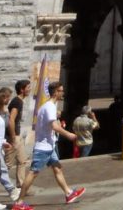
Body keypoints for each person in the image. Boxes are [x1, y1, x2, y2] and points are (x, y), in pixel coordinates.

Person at [13, 81, 85, 210]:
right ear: (56, 92)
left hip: (49, 146)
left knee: (57, 168)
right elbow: (54, 126)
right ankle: (19, 203)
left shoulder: (48, 106)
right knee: (33, 173)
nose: (63, 93)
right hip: (43, 148)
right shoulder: (50, 107)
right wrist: (68, 134)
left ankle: (69, 193)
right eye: (61, 91)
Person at [5, 80, 31, 192]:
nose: (30, 89)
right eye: (28, 87)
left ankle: (21, 187)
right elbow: (11, 119)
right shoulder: (17, 102)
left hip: (17, 136)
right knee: (6, 165)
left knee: (22, 161)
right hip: (14, 137)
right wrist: (13, 137)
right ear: (22, 89)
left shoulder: (19, 101)